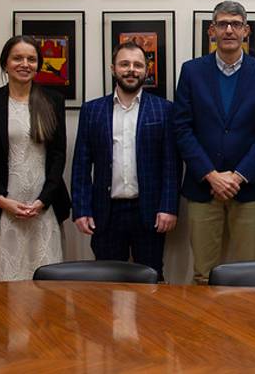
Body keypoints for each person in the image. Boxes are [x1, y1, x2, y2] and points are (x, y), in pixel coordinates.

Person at [174, 0, 255, 284]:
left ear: (246, 31)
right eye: (223, 24)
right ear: (212, 30)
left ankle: (246, 329)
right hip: (202, 187)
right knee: (203, 274)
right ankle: (204, 330)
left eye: (236, 24)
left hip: (247, 189)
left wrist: (237, 176)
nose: (229, 30)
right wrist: (211, 175)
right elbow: (182, 129)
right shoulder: (191, 71)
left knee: (249, 274)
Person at [0, 35, 71, 282]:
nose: (25, 64)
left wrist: (42, 201)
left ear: (38, 65)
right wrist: (2, 201)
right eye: (18, 58)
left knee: (44, 289)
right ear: (5, 63)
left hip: (41, 209)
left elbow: (58, 156)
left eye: (31, 59)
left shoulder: (52, 101)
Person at [71, 41, 180, 280]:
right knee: (107, 280)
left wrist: (168, 207)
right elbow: (81, 163)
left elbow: (171, 164)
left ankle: (150, 320)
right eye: (124, 64)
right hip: (105, 212)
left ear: (146, 71)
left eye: (138, 65)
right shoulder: (92, 110)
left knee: (151, 277)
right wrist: (81, 209)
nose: (131, 69)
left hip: (150, 212)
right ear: (113, 69)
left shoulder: (164, 110)